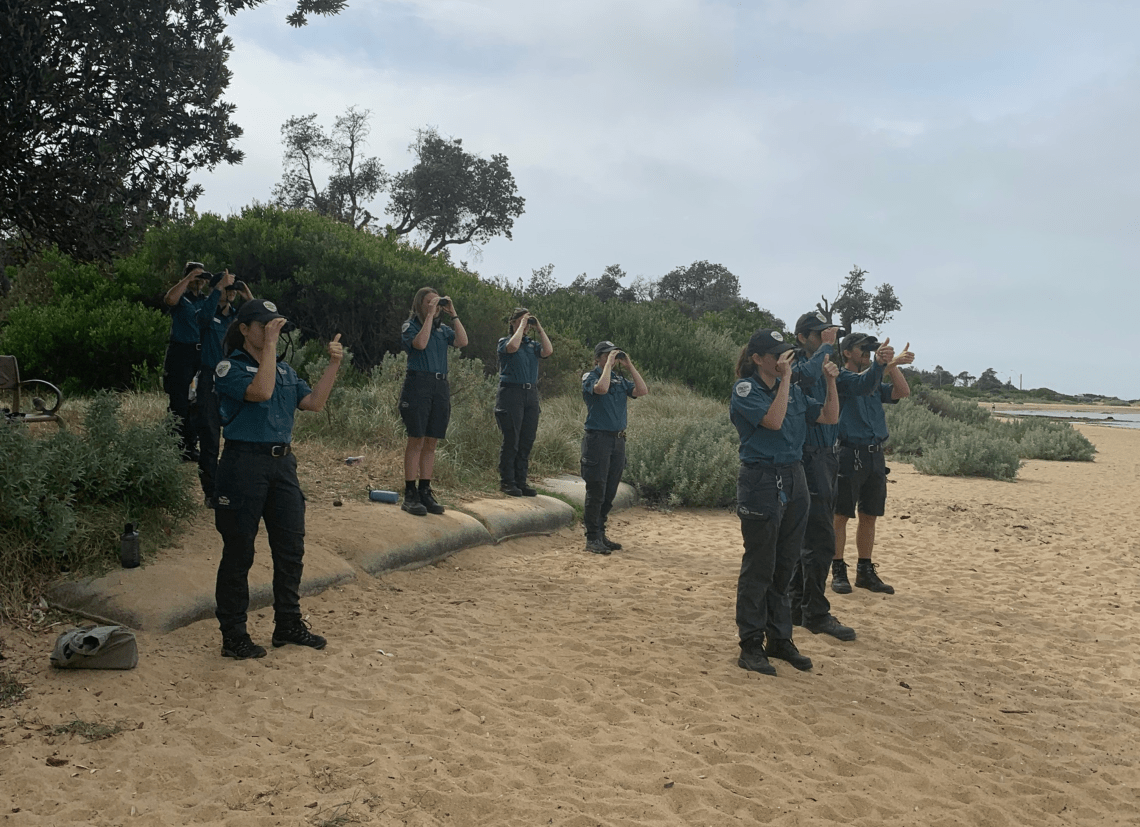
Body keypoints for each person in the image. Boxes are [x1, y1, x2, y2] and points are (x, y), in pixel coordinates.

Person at [212, 298, 344, 659]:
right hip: (243, 464)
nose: (272, 331)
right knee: (239, 552)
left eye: (275, 326)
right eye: (263, 326)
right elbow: (260, 392)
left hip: (282, 466)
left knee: (291, 549)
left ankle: (288, 624)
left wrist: (333, 364)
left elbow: (314, 403)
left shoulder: (284, 372)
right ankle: (234, 634)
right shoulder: (229, 368)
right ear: (244, 330)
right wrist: (269, 348)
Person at [731, 329, 838, 676]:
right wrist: (787, 379)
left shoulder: (790, 391)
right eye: (776, 355)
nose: (783, 359)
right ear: (758, 359)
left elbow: (829, 417)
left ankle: (780, 638)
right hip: (762, 480)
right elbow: (773, 421)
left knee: (786, 563)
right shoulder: (746, 390)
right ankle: (750, 644)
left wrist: (830, 382)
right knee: (760, 564)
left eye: (785, 354)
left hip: (794, 478)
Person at [787, 311, 856, 642]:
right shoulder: (795, 366)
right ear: (802, 338)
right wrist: (827, 350)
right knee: (819, 538)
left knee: (810, 537)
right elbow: (806, 378)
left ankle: (798, 606)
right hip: (808, 457)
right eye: (818, 335)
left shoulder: (821, 365)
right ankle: (814, 612)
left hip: (826, 456)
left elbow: (836, 407)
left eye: (827, 335)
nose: (825, 340)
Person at [831, 333, 914, 595]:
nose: (867, 353)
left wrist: (892, 366)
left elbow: (902, 392)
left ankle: (865, 571)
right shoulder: (841, 378)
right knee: (841, 515)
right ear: (846, 352)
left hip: (875, 455)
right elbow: (862, 383)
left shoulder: (874, 378)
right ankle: (838, 570)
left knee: (869, 515)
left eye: (871, 349)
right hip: (849, 453)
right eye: (862, 349)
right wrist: (886, 363)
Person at [399, 287, 468, 516]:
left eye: (437, 303)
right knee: (416, 438)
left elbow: (462, 341)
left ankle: (425, 490)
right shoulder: (411, 326)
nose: (435, 306)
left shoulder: (443, 329)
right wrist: (428, 315)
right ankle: (410, 492)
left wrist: (453, 313)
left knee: (432, 441)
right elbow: (419, 344)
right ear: (420, 304)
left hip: (440, 385)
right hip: (419, 383)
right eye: (430, 302)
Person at [580, 341, 648, 555]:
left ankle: (601, 533)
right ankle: (592, 537)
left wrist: (629, 366)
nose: (613, 358)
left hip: (618, 440)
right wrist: (608, 365)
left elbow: (642, 390)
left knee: (610, 489)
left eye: (614, 355)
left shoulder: (620, 379)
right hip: (597, 439)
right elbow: (601, 389)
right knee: (596, 488)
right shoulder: (590, 377)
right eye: (607, 355)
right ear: (597, 358)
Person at [197, 270, 253, 507]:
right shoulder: (207, 311)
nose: (230, 293)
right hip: (210, 377)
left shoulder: (237, 320)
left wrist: (246, 294)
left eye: (232, 290)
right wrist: (218, 288)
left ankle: (237, 487)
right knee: (210, 436)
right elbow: (203, 319)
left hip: (233, 376)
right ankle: (212, 491)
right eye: (226, 289)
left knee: (239, 433)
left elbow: (258, 319)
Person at [495, 307, 553, 496]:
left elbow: (548, 351)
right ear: (512, 323)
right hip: (511, 393)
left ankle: (521, 480)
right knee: (512, 438)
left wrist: (539, 328)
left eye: (527, 323)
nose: (525, 326)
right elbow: (512, 347)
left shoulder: (531, 344)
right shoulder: (505, 342)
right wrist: (519, 326)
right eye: (521, 321)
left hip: (530, 394)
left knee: (527, 439)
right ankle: (507, 481)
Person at [163, 262, 207, 460]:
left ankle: (191, 444)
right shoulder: (182, 298)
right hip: (181, 352)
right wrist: (189, 278)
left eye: (202, 278)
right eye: (196, 277)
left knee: (196, 401)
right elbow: (169, 299)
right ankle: (177, 444)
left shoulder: (205, 300)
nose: (199, 282)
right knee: (179, 400)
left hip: (200, 353)